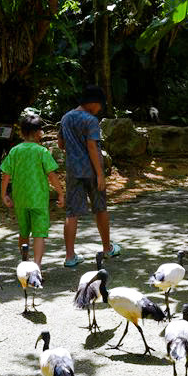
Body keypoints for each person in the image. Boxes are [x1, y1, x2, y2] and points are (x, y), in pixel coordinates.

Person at [58, 85, 121, 267]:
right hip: (91, 171)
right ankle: (107, 249)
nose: (100, 109)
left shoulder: (66, 117)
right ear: (93, 103)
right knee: (100, 208)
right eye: (100, 105)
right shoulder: (91, 120)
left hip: (73, 171)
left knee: (72, 213)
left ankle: (70, 257)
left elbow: (61, 143)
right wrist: (100, 174)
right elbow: (92, 147)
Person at [1, 114, 65, 267]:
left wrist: (4, 194)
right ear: (38, 133)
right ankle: (36, 266)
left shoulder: (15, 151)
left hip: (21, 199)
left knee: (23, 232)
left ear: (22, 133)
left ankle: (24, 264)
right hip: (38, 199)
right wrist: (61, 193)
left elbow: (6, 174)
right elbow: (52, 175)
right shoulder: (41, 152)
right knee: (38, 234)